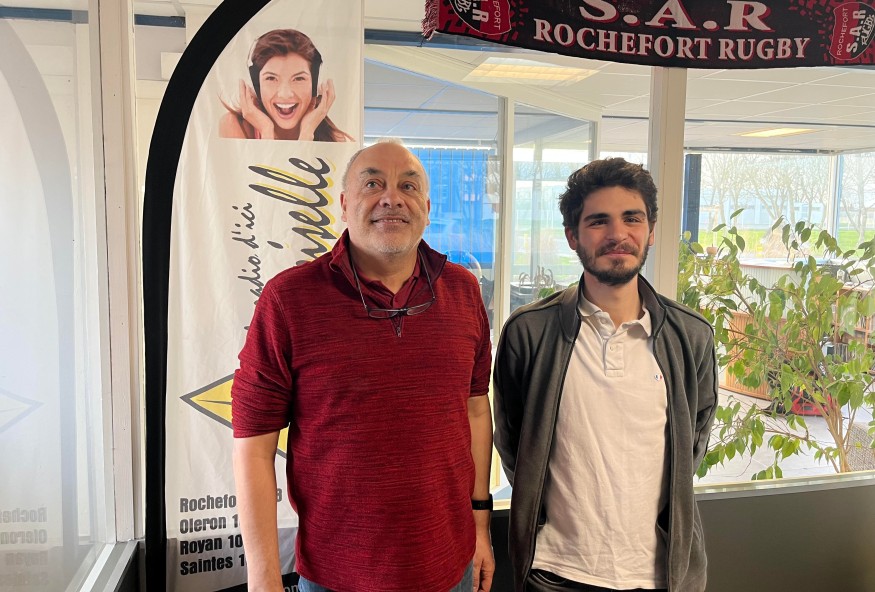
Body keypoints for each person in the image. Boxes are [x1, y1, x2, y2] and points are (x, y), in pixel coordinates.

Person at [231, 139, 495, 592]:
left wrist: (481, 527)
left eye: (408, 186)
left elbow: (474, 410)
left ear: (427, 208)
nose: (392, 198)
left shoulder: (464, 291)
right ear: (344, 204)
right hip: (336, 574)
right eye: (373, 183)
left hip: (450, 566)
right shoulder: (289, 299)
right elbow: (254, 446)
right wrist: (264, 578)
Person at [493, 158, 717, 592]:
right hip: (555, 571)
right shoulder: (530, 332)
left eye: (632, 218)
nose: (618, 234)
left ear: (651, 230)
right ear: (572, 236)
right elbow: (515, 443)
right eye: (598, 221)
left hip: (660, 575)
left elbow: (693, 442)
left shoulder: (691, 336)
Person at [219, 29, 353, 142]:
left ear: (315, 85)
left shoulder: (334, 138)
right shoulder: (234, 126)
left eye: (298, 78)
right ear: (255, 84)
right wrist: (266, 131)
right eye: (271, 78)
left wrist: (306, 133)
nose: (285, 94)